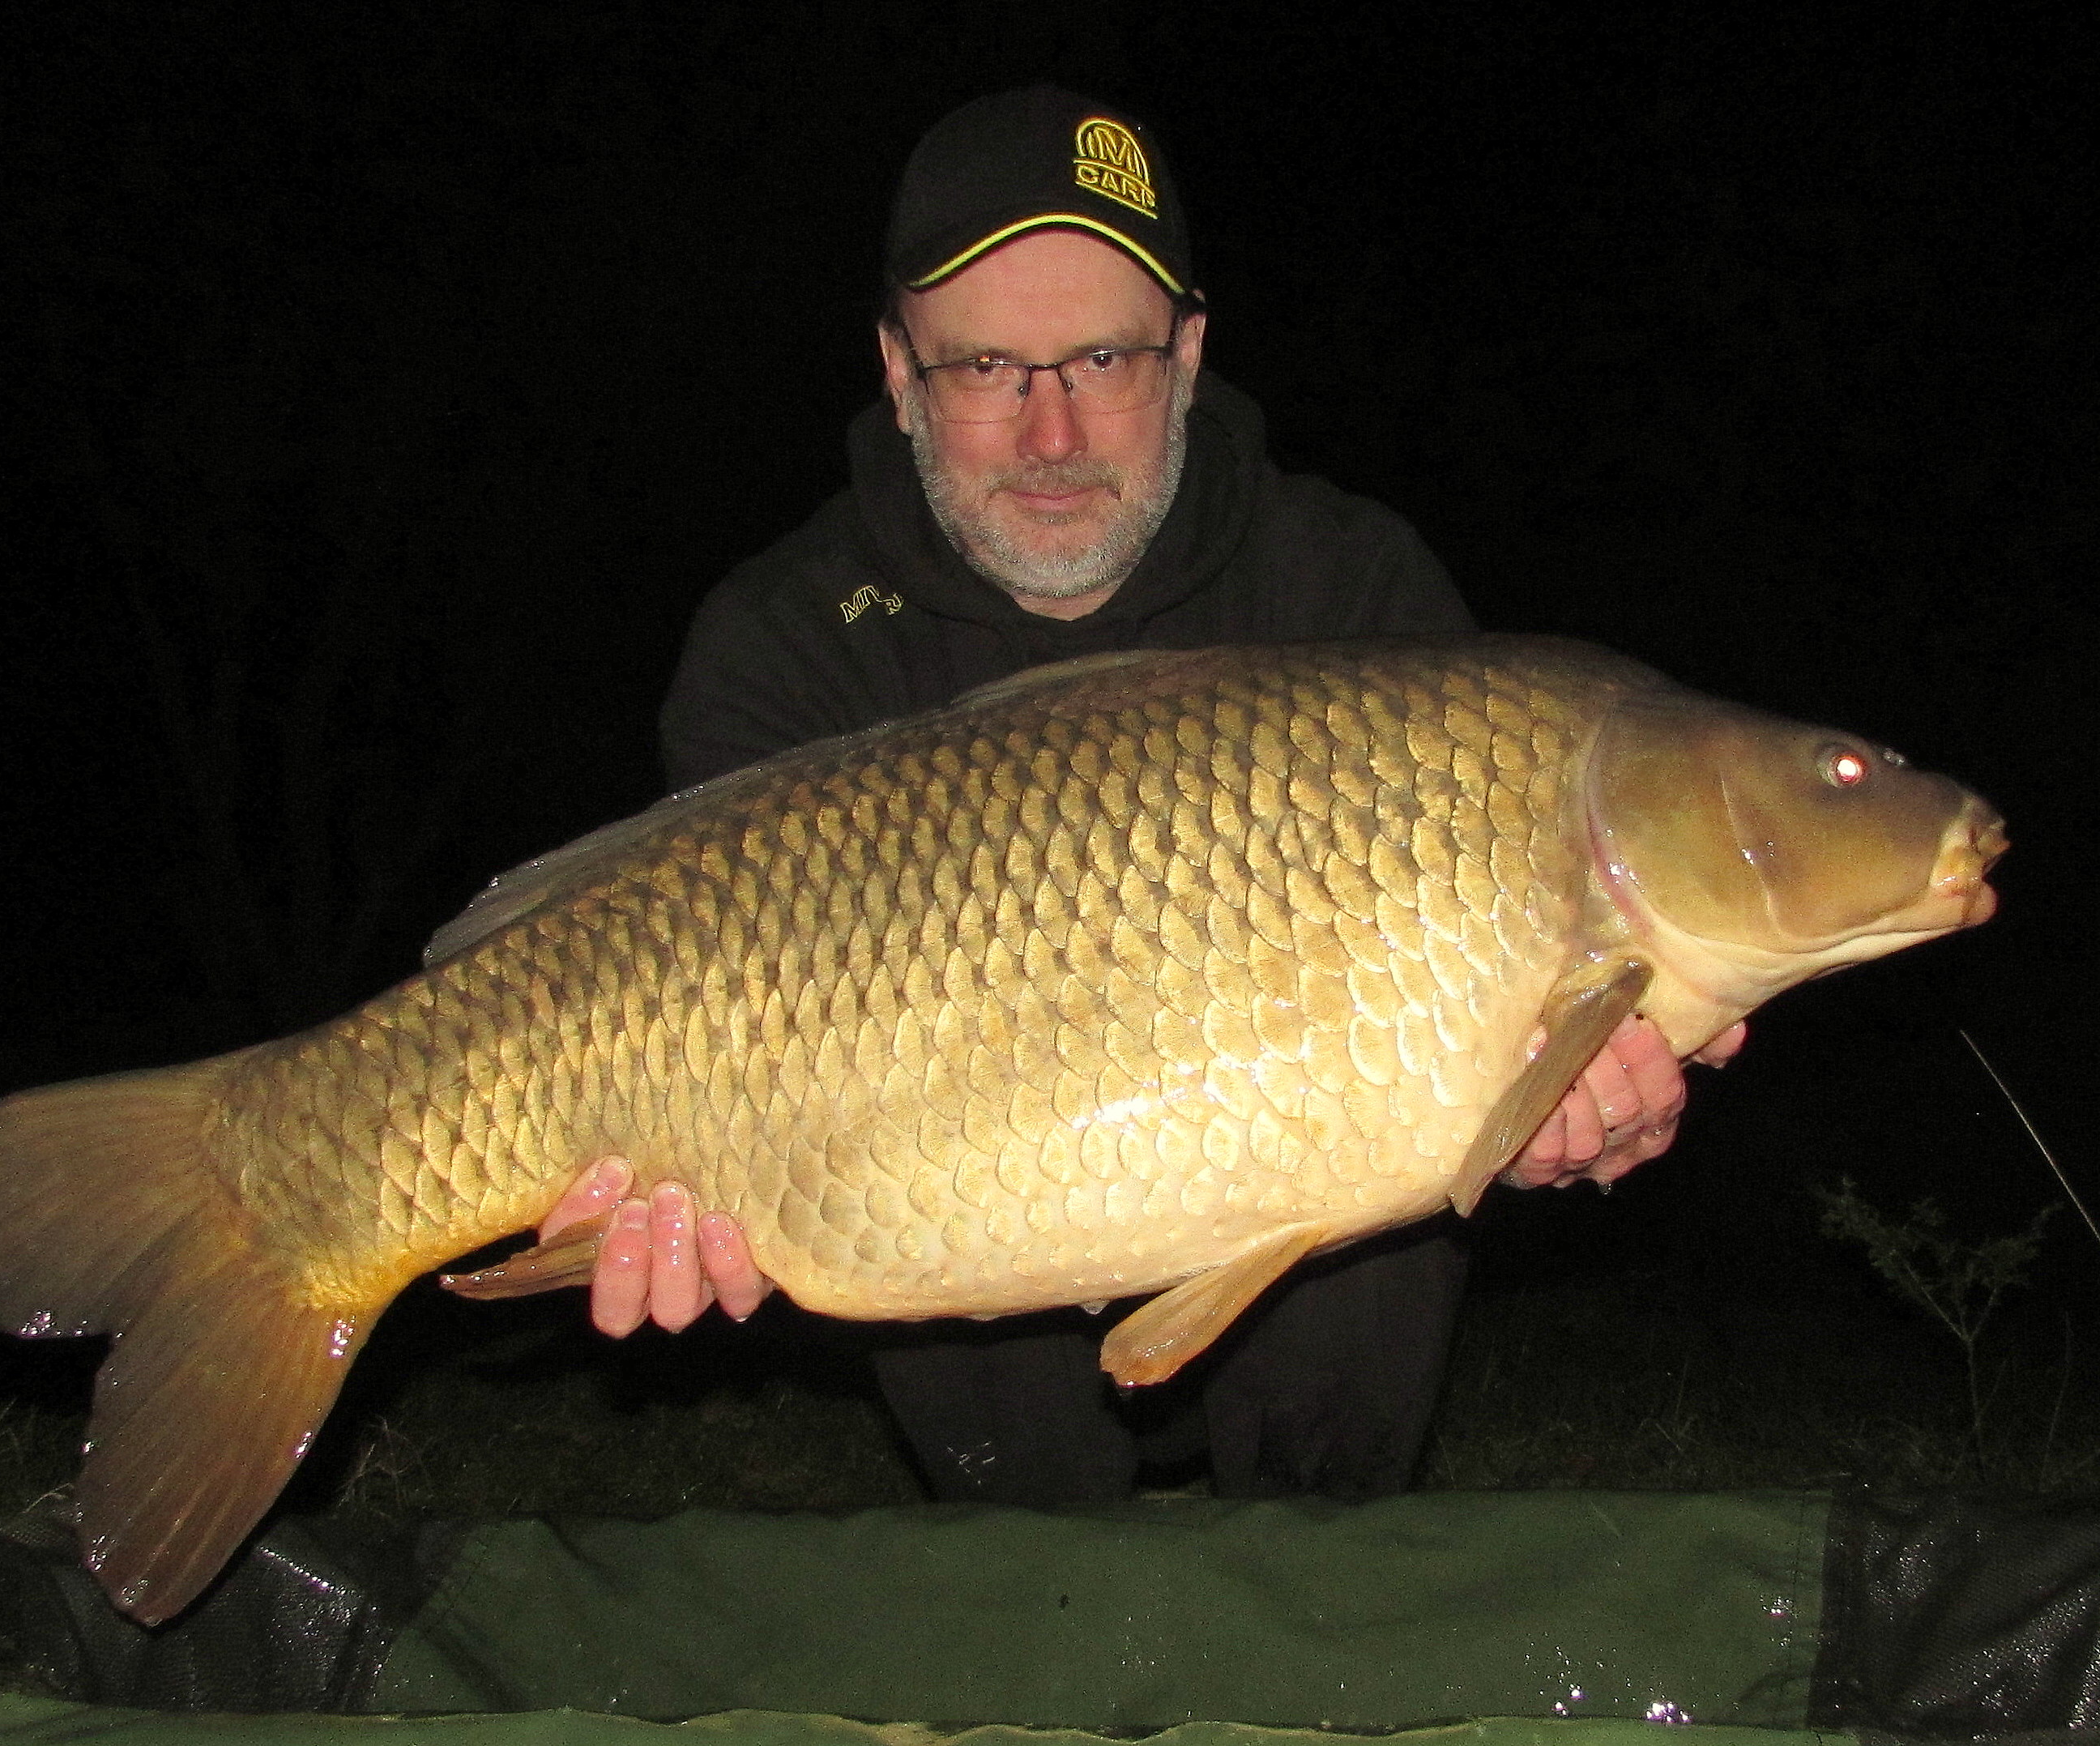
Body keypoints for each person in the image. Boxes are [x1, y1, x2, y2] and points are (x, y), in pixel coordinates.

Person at [533, 88, 1743, 1501]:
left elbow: (1475, 1053)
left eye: (1103, 358)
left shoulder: (1353, 593)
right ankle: (1034, 1559)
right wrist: (682, 1206)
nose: (1051, 434)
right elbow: (690, 1037)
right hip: (974, 1355)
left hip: (1335, 1369)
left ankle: (1318, 1554)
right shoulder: (788, 644)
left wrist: (1556, 1124)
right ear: (899, 373)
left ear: (1190, 355)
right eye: (987, 366)